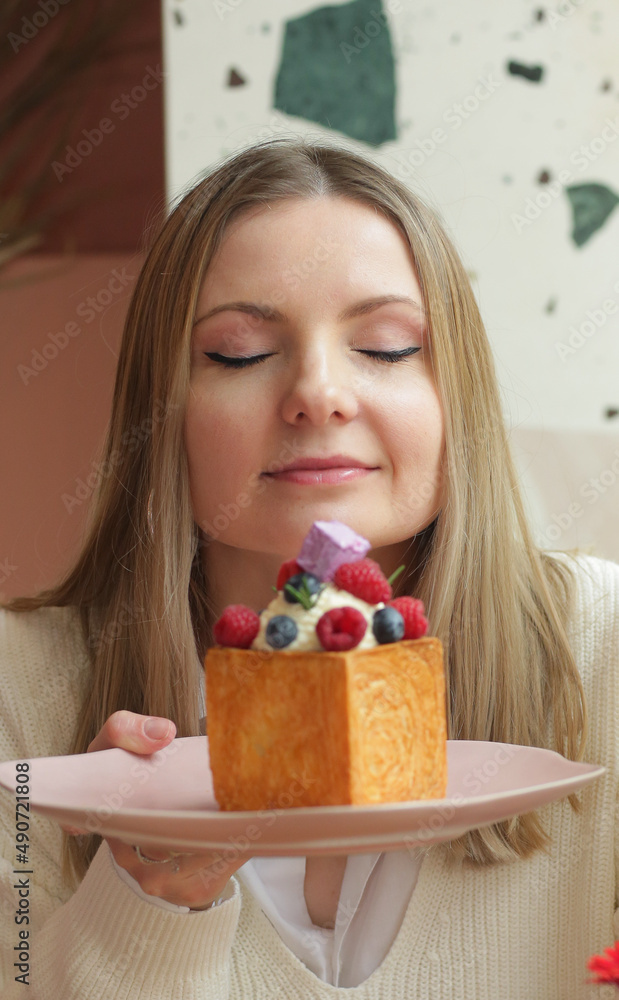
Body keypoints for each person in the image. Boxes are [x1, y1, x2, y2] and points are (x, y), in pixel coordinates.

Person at [0, 137, 617, 999]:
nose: (319, 394)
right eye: (240, 352)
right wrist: (146, 904)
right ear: (160, 409)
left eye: (388, 347)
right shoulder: (16, 694)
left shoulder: (604, 648)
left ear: (456, 396)